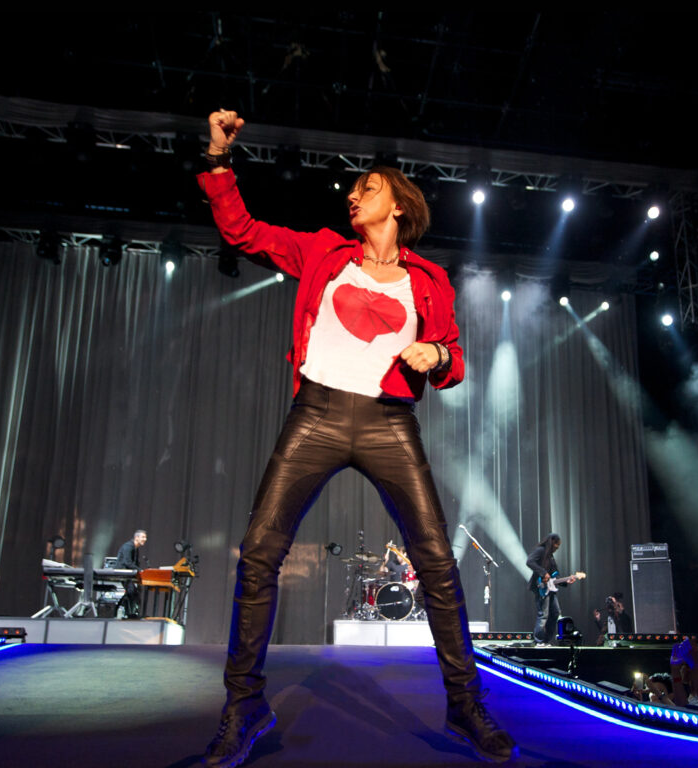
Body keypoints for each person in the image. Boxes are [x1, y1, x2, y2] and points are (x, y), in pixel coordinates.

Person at [197, 110, 517, 766]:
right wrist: (220, 161)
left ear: (399, 205)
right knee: (258, 554)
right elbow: (242, 231)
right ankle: (244, 705)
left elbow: (454, 359)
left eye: (367, 187)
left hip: (388, 422)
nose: (352, 194)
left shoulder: (429, 281)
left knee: (437, 562)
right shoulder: (323, 251)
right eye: (352, 188)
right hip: (315, 414)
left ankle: (465, 706)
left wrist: (435, 353)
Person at [526, 533, 575, 643]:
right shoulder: (541, 550)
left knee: (555, 613)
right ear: (552, 542)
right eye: (557, 544)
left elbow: (554, 576)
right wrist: (543, 573)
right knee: (543, 615)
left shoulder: (550, 557)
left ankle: (546, 640)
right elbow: (529, 561)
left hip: (550, 589)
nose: (558, 547)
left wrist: (566, 581)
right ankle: (539, 641)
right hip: (541, 587)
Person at [115, 529, 147, 618]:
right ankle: (126, 612)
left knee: (135, 593)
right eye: (143, 537)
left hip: (128, 574)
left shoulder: (135, 548)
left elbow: (134, 563)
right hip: (123, 573)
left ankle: (131, 613)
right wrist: (140, 570)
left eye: (145, 537)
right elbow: (127, 562)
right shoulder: (128, 546)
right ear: (136, 537)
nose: (145, 539)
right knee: (131, 592)